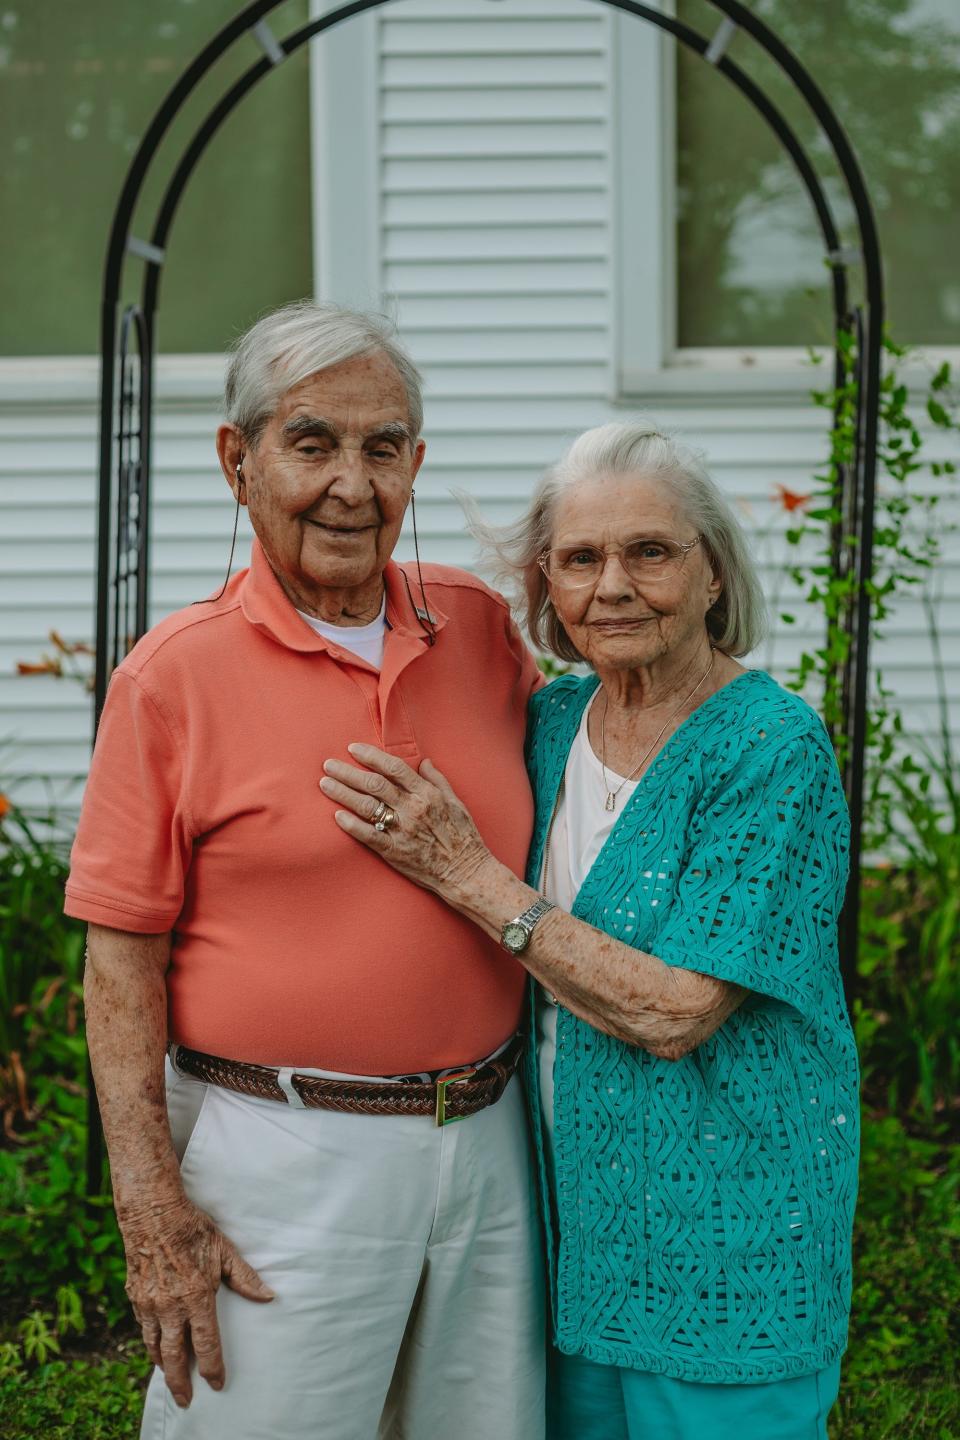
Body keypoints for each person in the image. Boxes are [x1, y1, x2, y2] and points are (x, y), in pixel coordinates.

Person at [65, 301, 546, 1440]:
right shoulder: (170, 678)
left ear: (416, 465)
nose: (351, 483)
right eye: (313, 442)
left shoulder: (479, 630)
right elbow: (118, 963)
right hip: (282, 1153)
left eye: (384, 448)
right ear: (239, 461)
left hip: (488, 1140)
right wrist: (152, 1212)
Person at [324, 422, 859, 1440]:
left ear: (711, 578)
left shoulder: (770, 747)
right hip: (575, 1235)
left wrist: (468, 876)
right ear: (550, 593)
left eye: (651, 552)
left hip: (727, 1239)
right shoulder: (552, 721)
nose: (614, 584)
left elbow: (678, 1010)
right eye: (582, 558)